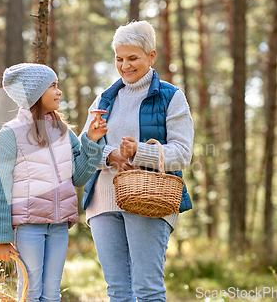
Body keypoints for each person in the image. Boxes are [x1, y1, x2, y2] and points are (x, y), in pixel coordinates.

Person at [81, 21, 194, 301]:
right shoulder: (105, 98)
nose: (124, 66)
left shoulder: (170, 97)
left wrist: (138, 152)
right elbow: (84, 148)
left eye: (133, 58)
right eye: (119, 58)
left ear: (151, 56)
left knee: (147, 289)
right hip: (103, 200)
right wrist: (111, 155)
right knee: (118, 291)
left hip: (150, 199)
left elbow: (182, 152)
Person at [0, 63, 108, 302]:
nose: (59, 91)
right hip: (28, 226)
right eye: (52, 86)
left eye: (57, 85)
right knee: (30, 292)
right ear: (34, 93)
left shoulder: (64, 133)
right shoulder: (11, 134)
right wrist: (0, 238)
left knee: (52, 293)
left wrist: (92, 142)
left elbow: (79, 177)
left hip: (59, 225)